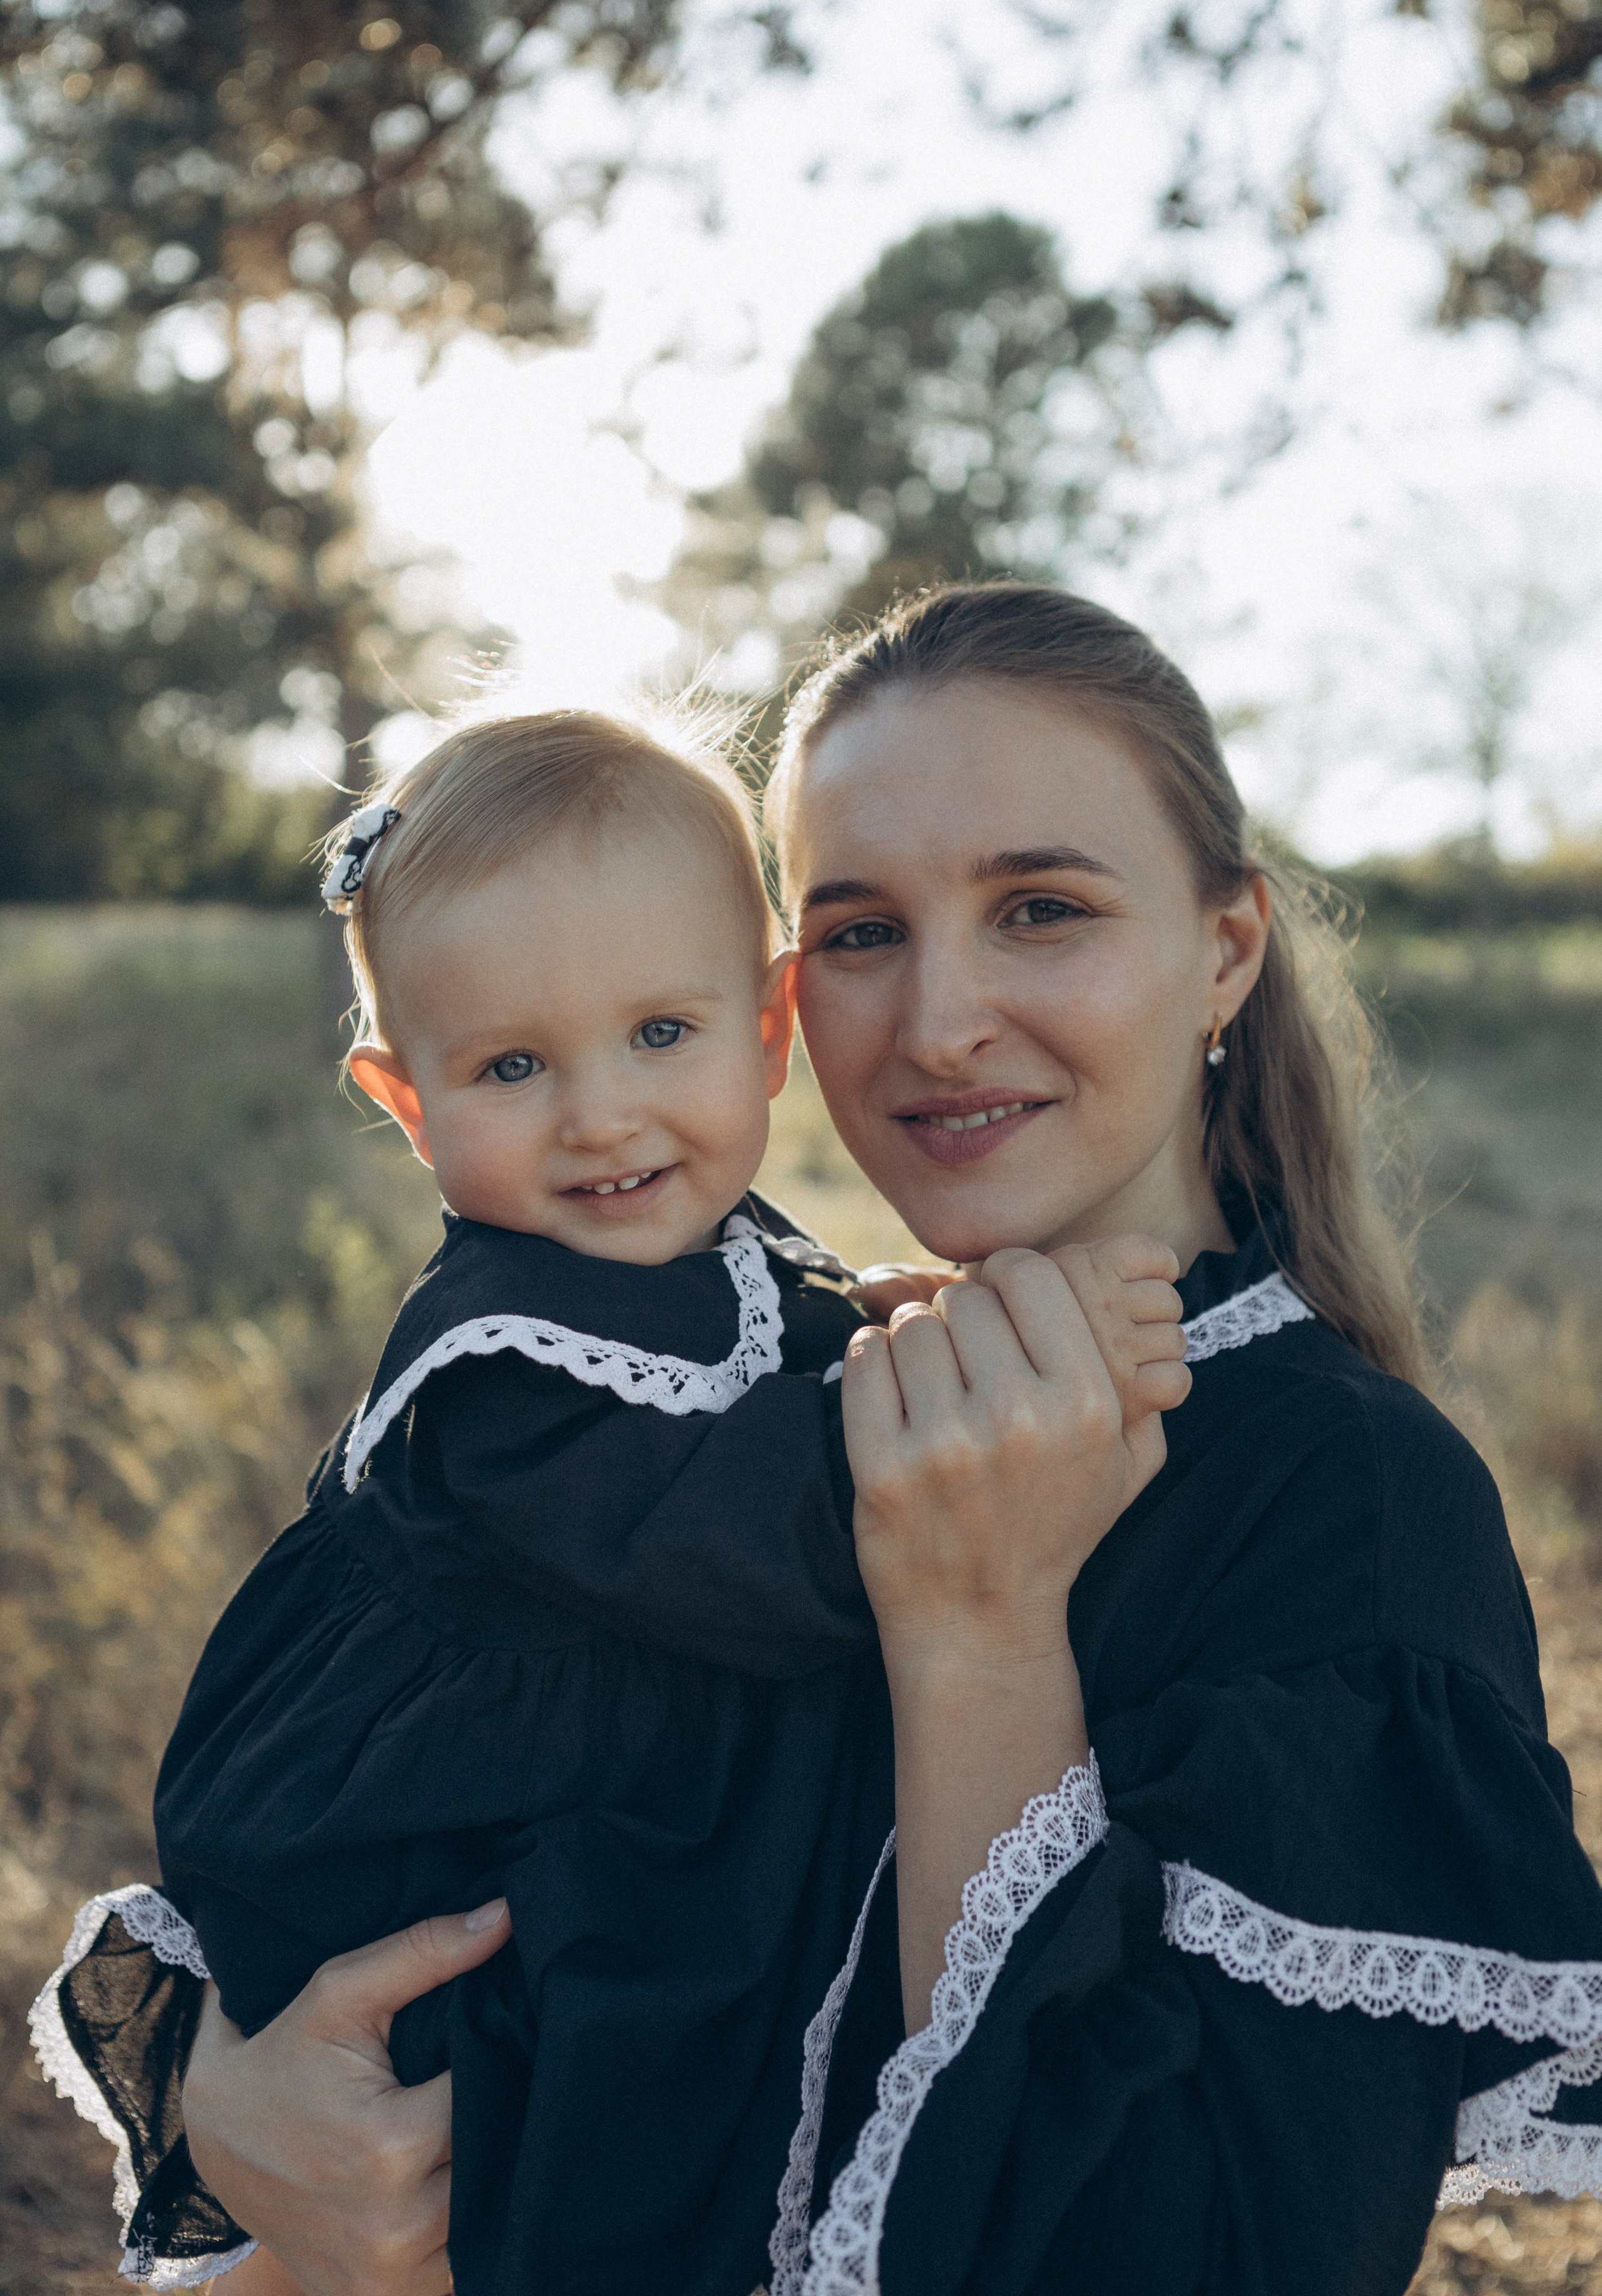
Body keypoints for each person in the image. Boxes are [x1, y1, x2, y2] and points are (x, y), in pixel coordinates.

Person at [39, 581, 1602, 2296]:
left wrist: (982, 1629)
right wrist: (236, 2097)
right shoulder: (767, 1369)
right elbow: (419, 1803)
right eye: (863, 930)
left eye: (1042, 909)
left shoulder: (1345, 1498)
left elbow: (1207, 2254)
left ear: (1225, 948)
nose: (938, 1024)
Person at [28, 697, 1184, 2296]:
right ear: (404, 1100)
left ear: (765, 1028)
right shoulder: (500, 1359)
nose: (603, 1116)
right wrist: (968, 1390)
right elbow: (711, 1526)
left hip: (602, 1792)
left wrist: (901, 1319)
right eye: (511, 1066)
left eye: (662, 1035)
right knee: (505, 2169)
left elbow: (777, 1346)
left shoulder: (716, 1242)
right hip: (439, 1834)